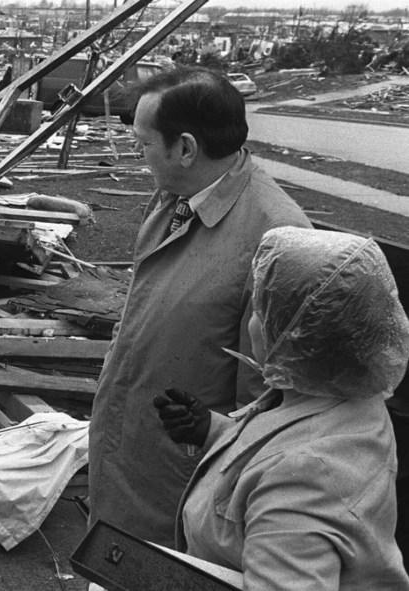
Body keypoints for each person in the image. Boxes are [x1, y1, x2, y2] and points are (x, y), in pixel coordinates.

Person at [87, 66, 311, 549]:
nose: (139, 158)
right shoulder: (174, 199)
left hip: (180, 487)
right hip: (128, 453)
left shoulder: (278, 239)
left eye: (144, 145)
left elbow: (269, 407)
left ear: (186, 148)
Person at [155, 226, 409, 589]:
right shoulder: (337, 394)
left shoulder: (307, 481)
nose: (252, 322)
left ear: (294, 332)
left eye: (260, 309)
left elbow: (289, 474)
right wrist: (213, 430)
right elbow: (282, 446)